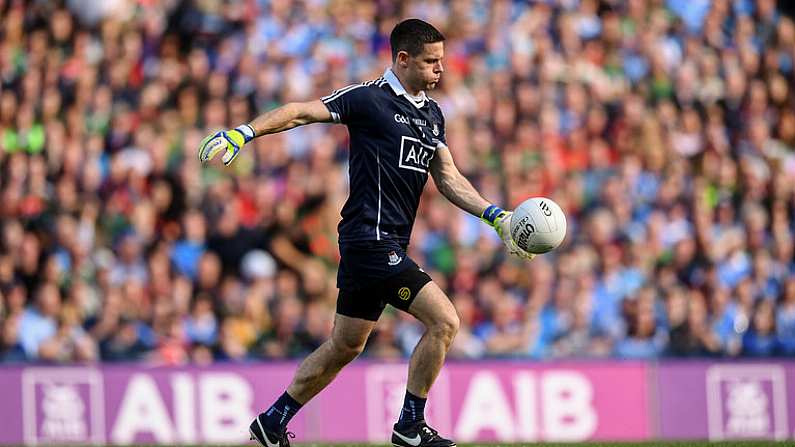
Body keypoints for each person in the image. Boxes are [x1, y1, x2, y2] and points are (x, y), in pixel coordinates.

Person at [198, 19, 534, 447]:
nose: (440, 71)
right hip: (369, 241)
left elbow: (448, 177)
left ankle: (271, 422)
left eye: (442, 62)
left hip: (383, 245)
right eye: (431, 62)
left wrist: (495, 216)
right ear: (403, 59)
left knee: (345, 346)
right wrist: (243, 132)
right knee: (445, 321)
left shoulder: (432, 114)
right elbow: (302, 111)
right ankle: (410, 426)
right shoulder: (368, 99)